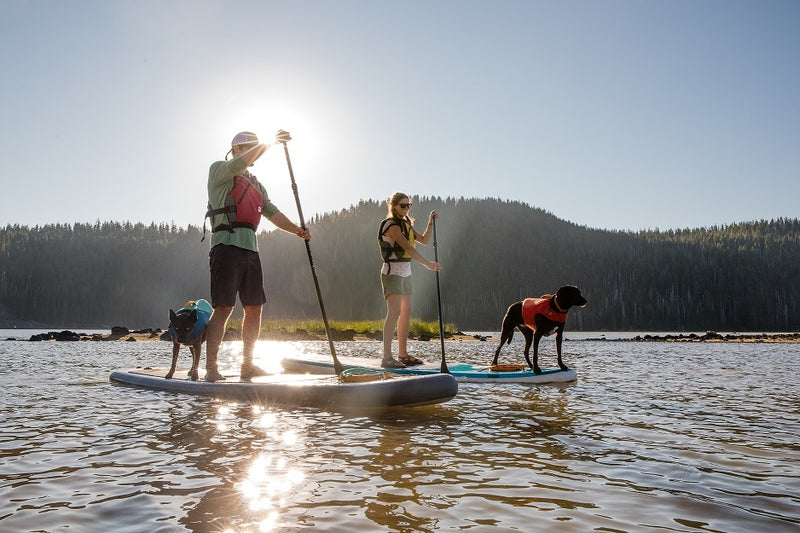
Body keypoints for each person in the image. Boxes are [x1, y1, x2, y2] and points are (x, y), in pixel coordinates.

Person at [203, 130, 310, 382]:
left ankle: (247, 365)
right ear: (236, 149)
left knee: (254, 309)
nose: (253, 153)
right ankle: (211, 368)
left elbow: (271, 212)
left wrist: (297, 231)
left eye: (254, 147)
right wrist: (271, 141)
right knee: (224, 308)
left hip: (251, 250)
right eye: (247, 147)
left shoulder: (257, 184)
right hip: (226, 246)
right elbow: (240, 163)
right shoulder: (219, 170)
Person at [378, 192, 441, 368]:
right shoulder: (392, 226)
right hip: (392, 273)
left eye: (408, 206)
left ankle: (403, 355)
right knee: (394, 312)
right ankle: (387, 357)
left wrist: (430, 222)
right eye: (403, 206)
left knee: (406, 311)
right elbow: (407, 247)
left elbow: (424, 240)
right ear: (394, 206)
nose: (406, 209)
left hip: (406, 273)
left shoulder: (406, 224)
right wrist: (428, 264)